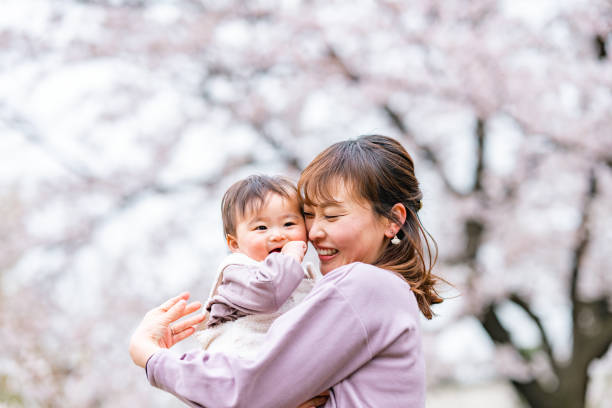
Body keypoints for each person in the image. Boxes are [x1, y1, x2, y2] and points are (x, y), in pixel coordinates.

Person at [129, 134, 444, 408]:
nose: (315, 232)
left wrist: (150, 355)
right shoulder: (386, 289)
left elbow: (247, 389)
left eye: (332, 216)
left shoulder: (362, 284)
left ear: (393, 220)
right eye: (308, 215)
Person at [195, 175, 316, 359]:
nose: (277, 235)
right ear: (235, 244)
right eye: (261, 228)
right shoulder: (237, 270)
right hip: (239, 357)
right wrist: (290, 257)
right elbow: (269, 293)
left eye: (289, 224)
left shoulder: (308, 275)